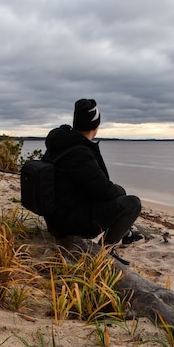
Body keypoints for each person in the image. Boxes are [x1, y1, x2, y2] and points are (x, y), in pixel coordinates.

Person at [42, 98, 142, 246]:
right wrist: (120, 191)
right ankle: (105, 250)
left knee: (117, 195)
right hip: (68, 222)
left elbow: (90, 186)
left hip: (56, 217)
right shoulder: (79, 153)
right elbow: (104, 191)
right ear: (95, 126)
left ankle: (125, 234)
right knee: (132, 203)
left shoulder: (61, 145)